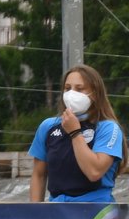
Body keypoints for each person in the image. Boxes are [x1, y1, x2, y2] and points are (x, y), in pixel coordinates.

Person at [28, 64, 123, 204]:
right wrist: (35, 216)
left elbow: (94, 172)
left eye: (79, 89)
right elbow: (39, 175)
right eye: (67, 88)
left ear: (95, 93)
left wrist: (75, 132)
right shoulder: (48, 126)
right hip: (57, 210)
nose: (71, 93)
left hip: (96, 211)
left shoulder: (108, 128)